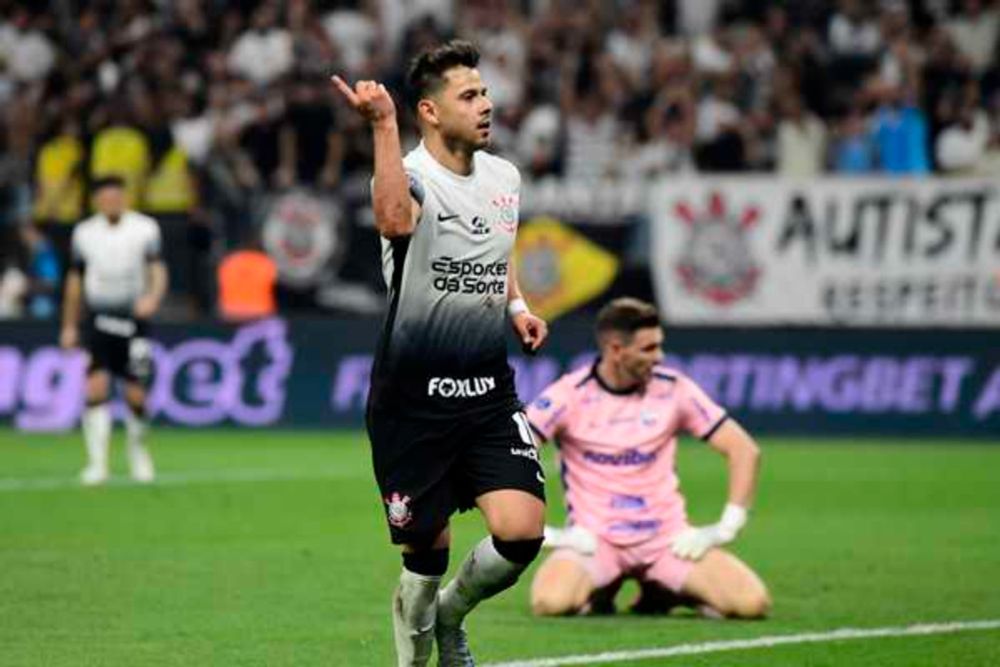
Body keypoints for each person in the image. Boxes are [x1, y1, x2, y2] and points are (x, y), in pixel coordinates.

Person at [331, 40, 549, 667]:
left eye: (485, 93)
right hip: (411, 400)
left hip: (486, 391)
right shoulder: (410, 178)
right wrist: (381, 126)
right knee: (425, 558)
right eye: (470, 96)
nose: (487, 105)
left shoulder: (504, 176)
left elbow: (495, 245)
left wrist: (517, 309)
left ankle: (453, 615)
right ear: (429, 111)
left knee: (521, 534)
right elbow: (396, 224)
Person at [527, 297, 771, 620]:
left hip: (666, 541)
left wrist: (726, 527)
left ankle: (663, 587)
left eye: (659, 346)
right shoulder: (568, 395)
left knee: (751, 604)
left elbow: (743, 450)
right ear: (615, 349)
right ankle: (606, 586)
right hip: (596, 541)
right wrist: (545, 533)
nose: (660, 356)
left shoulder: (675, 390)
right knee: (550, 602)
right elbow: (510, 453)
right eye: (649, 348)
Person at [59, 175, 168, 486]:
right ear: (97, 201)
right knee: (95, 386)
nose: (112, 202)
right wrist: (69, 324)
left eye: (117, 197)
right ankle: (97, 464)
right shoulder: (84, 233)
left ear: (125, 198)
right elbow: (75, 280)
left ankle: (138, 452)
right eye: (106, 198)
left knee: (136, 393)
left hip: (134, 319)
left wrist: (153, 298)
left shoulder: (145, 229)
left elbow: (158, 270)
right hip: (98, 318)